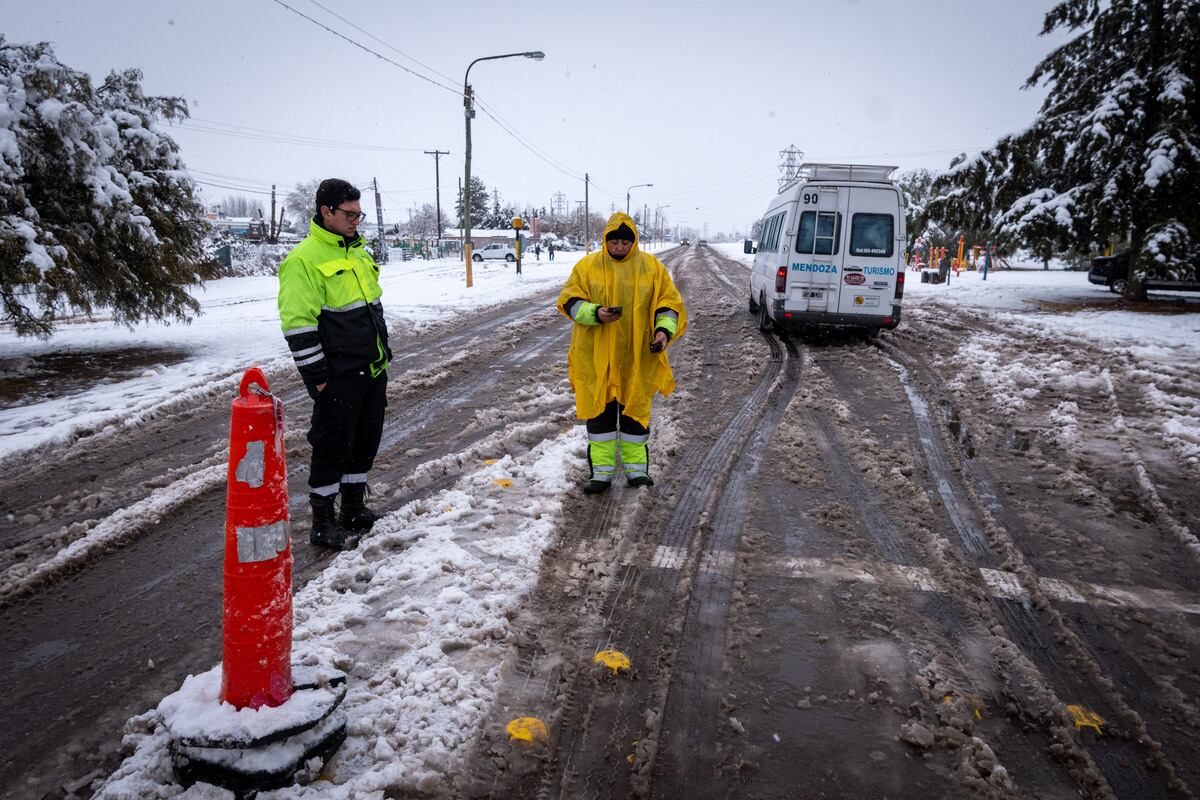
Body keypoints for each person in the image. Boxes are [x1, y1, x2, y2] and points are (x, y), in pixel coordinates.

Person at [278, 178, 391, 549]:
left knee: (363, 442)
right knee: (332, 445)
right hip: (338, 375)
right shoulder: (303, 260)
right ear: (326, 211)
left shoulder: (357, 252)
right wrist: (318, 378)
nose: (356, 220)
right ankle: (322, 522)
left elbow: (371, 309)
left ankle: (353, 510)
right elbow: (298, 324)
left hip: (371, 369)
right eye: (349, 213)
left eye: (360, 214)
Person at [557, 212, 687, 494]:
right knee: (600, 418)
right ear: (606, 241)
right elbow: (569, 300)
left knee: (634, 415)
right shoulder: (587, 267)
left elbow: (669, 305)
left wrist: (663, 332)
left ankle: (637, 472)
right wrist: (595, 313)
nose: (619, 248)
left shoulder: (651, 268)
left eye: (624, 243)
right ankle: (600, 475)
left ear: (634, 242)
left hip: (636, 357)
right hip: (596, 356)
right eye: (614, 242)